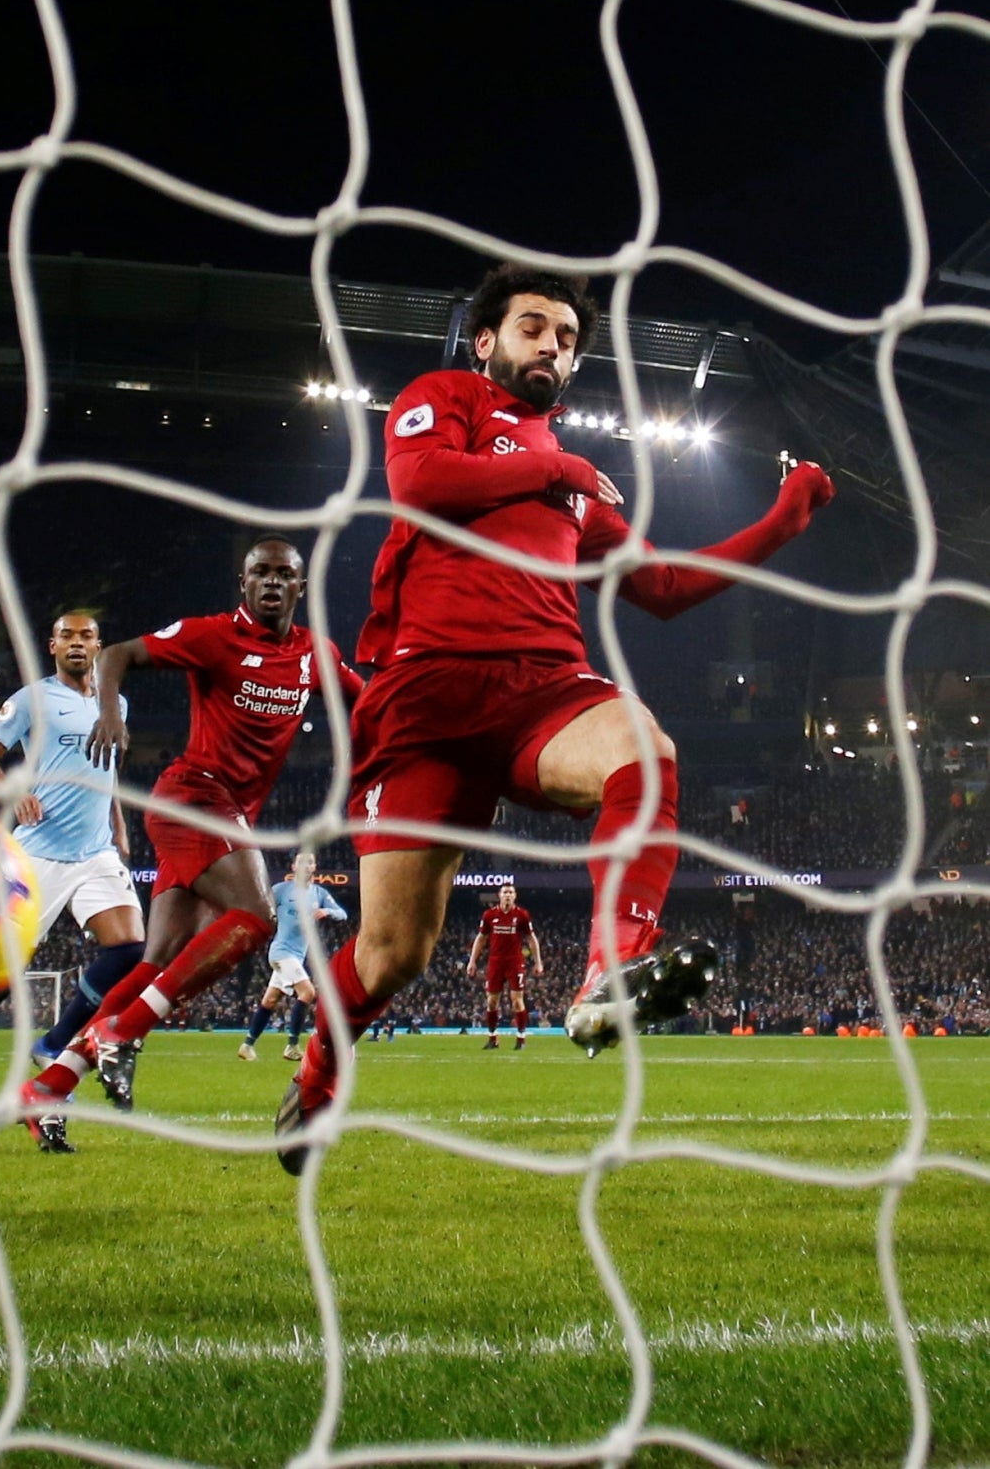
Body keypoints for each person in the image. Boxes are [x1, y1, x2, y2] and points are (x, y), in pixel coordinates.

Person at [277, 265, 836, 1171]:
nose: (553, 347)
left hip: (545, 687)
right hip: (427, 697)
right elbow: (420, 487)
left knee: (646, 753)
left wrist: (781, 521)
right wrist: (555, 462)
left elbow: (660, 587)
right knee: (392, 956)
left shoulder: (578, 487)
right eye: (535, 327)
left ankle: (610, 972)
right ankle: (317, 1076)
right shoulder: (445, 397)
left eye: (569, 338)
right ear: (488, 340)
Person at [18, 538, 362, 1151]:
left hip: (226, 815)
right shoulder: (213, 636)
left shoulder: (315, 655)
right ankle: (123, 1033)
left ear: (301, 588)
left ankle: (49, 1086)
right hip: (192, 797)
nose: (273, 583)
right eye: (261, 573)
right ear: (244, 582)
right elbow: (119, 653)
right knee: (255, 917)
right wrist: (110, 713)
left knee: (157, 959)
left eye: (286, 575)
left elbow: (368, 708)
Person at [0, 611, 144, 1116]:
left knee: (131, 946)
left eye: (86, 636)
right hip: (37, 854)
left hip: (95, 852)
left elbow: (106, 767)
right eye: (66, 635)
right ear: (52, 646)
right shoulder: (31, 700)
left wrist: (119, 822)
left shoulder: (117, 704)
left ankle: (55, 1041)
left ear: (99, 646)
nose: (76, 643)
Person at [238, 853, 347, 1063]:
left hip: (296, 955)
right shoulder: (282, 890)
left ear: (315, 866)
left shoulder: (319, 893)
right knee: (307, 992)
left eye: (310, 862)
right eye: (302, 863)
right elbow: (260, 905)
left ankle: (247, 1045)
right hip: (281, 951)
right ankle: (292, 1046)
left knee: (270, 1000)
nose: (306, 866)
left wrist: (326, 911)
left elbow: (342, 913)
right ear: (293, 867)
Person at [463, 882, 543, 1049]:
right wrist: (472, 961)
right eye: (505, 892)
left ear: (515, 896)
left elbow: (531, 938)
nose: (507, 895)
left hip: (515, 962)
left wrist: (538, 961)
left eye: (510, 892)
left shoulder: (521, 915)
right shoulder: (489, 915)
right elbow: (481, 938)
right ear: (499, 895)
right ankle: (493, 1038)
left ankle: (521, 1039)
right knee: (492, 1002)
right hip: (495, 962)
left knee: (516, 1001)